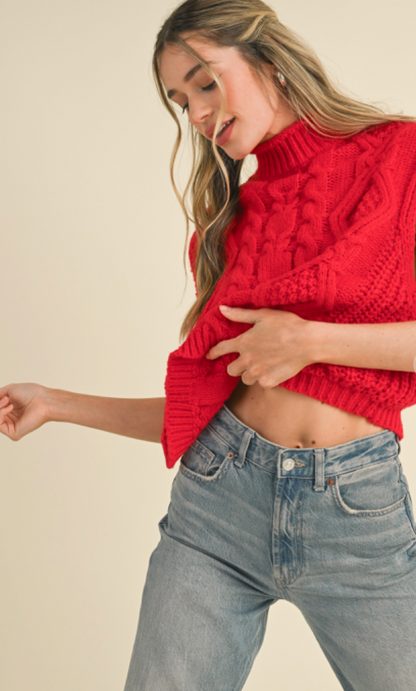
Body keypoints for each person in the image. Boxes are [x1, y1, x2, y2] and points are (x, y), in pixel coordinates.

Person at [1, 0, 416, 688]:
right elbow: (204, 414)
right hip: (217, 504)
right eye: (177, 99)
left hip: (355, 511)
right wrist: (55, 401)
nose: (194, 112)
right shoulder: (226, 229)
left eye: (203, 82)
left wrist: (310, 341)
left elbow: (298, 348)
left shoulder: (398, 156)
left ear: (269, 60)